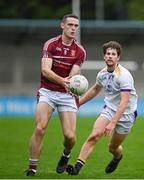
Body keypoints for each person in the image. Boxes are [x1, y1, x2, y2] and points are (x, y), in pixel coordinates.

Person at [25, 14, 86, 176]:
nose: (73, 28)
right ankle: (32, 167)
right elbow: (45, 70)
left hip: (67, 95)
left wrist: (70, 82)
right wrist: (62, 81)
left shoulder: (80, 51)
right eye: (71, 25)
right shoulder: (51, 44)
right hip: (48, 91)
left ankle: (66, 153)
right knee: (40, 127)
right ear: (62, 26)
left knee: (70, 136)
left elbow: (74, 75)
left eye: (76, 26)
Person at [66, 41, 138, 175]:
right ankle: (76, 168)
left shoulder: (124, 75)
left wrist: (113, 123)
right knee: (94, 135)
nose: (110, 56)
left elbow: (124, 101)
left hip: (126, 114)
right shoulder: (102, 74)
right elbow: (94, 90)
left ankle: (117, 157)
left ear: (118, 57)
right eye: (108, 54)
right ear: (104, 57)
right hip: (109, 110)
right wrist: (78, 103)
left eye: (113, 54)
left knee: (112, 147)